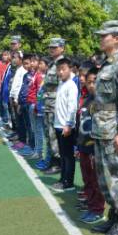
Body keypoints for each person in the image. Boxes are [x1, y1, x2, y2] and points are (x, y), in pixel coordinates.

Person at [89, 20, 118, 235]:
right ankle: (112, 214)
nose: (100, 39)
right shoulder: (106, 64)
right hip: (101, 126)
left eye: (104, 35)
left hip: (113, 129)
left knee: (117, 174)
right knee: (103, 175)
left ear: (116, 38)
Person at [76, 68, 105, 223]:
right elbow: (80, 123)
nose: (92, 85)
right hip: (83, 147)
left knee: (96, 181)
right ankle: (90, 204)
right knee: (87, 179)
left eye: (95, 81)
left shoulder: (103, 102)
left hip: (95, 148)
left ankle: (98, 209)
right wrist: (78, 146)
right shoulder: (86, 99)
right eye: (89, 82)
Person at [50, 57, 78, 193]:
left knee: (68, 156)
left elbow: (72, 107)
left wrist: (68, 125)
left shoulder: (71, 85)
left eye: (63, 69)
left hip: (66, 127)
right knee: (63, 154)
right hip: (58, 124)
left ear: (70, 69)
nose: (60, 72)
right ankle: (63, 179)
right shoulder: (61, 84)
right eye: (58, 70)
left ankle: (68, 182)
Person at [42, 38, 66, 175]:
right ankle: (52, 161)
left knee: (53, 135)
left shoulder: (62, 65)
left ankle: (58, 163)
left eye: (55, 47)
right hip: (48, 104)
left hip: (55, 105)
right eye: (50, 47)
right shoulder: (53, 64)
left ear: (62, 48)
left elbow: (63, 86)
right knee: (49, 134)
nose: (51, 49)